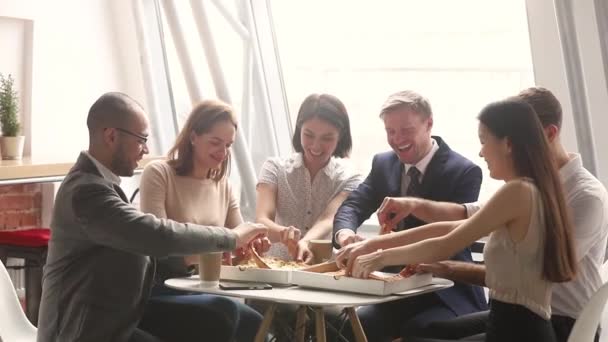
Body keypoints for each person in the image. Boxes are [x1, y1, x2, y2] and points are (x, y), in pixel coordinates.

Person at [370, 87, 608, 342]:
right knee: (423, 331)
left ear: (547, 134)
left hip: (561, 322)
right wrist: (412, 206)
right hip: (515, 313)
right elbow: (464, 215)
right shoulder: (526, 185)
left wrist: (442, 266)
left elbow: (536, 271)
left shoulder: (585, 196)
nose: (483, 151)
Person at [37, 92, 267, 342]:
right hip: (81, 331)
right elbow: (157, 234)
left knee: (224, 319)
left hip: (112, 321)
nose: (146, 149)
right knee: (219, 317)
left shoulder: (99, 184)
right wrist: (231, 238)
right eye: (141, 140)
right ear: (111, 136)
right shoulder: (86, 192)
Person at [332, 90, 487, 341]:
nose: (397, 139)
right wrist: (346, 235)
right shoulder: (382, 164)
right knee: (351, 327)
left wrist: (378, 247)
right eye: (390, 132)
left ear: (429, 124)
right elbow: (353, 206)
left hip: (444, 291)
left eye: (405, 130)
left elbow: (453, 237)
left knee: (417, 331)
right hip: (394, 290)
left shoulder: (464, 171)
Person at [138, 100, 265, 342]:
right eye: (215, 143)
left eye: (228, 145)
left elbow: (236, 242)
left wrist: (251, 247)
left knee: (256, 320)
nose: (223, 152)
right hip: (164, 288)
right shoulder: (159, 174)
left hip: (207, 286)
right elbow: (158, 247)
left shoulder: (224, 185)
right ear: (193, 137)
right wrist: (221, 249)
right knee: (224, 311)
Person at [256, 93, 362, 263]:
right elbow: (262, 219)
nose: (316, 146)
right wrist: (284, 233)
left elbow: (329, 218)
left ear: (340, 136)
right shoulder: (274, 168)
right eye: (309, 135)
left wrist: (304, 241)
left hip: (322, 271)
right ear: (299, 129)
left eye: (327, 138)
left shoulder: (350, 177)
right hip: (274, 269)